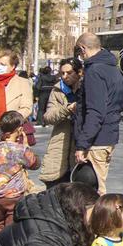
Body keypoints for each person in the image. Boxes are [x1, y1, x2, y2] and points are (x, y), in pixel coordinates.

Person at [71, 31, 123, 189]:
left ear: (83, 48)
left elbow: (95, 111)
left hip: (96, 140)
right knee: (98, 187)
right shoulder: (113, 69)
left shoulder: (94, 71)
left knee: (93, 192)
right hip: (109, 136)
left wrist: (82, 145)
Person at [0, 110, 40, 239]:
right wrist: (27, 146)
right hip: (13, 195)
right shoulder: (20, 149)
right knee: (11, 227)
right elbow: (35, 164)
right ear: (19, 129)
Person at [37, 57, 82, 186]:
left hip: (80, 144)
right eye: (62, 73)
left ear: (79, 73)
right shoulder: (57, 90)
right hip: (60, 142)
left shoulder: (86, 88)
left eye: (69, 73)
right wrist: (67, 109)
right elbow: (49, 116)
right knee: (56, 185)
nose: (65, 76)